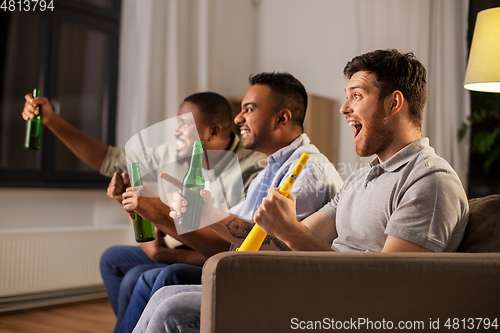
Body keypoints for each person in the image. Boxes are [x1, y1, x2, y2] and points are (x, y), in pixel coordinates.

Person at [132, 49, 469, 333]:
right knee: (166, 296)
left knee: (172, 308)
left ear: (394, 103)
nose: (344, 108)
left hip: (336, 314)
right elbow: (280, 246)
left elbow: (386, 289)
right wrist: (211, 215)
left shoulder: (430, 181)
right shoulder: (362, 178)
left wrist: (292, 232)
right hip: (309, 291)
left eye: (356, 95)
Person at [117, 72, 343, 333]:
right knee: (158, 274)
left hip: (264, 283)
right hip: (238, 270)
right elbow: (228, 237)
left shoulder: (307, 171)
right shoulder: (266, 173)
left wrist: (165, 214)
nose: (237, 118)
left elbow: (270, 248)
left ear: (282, 118)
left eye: (249, 109)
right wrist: (185, 213)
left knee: (161, 278)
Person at [22, 91, 266, 330]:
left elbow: (235, 246)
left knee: (135, 277)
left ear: (212, 131)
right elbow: (110, 159)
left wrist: (166, 252)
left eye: (184, 124)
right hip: (178, 242)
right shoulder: (175, 151)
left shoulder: (251, 171)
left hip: (209, 250)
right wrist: (51, 120)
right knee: (112, 259)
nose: (175, 131)